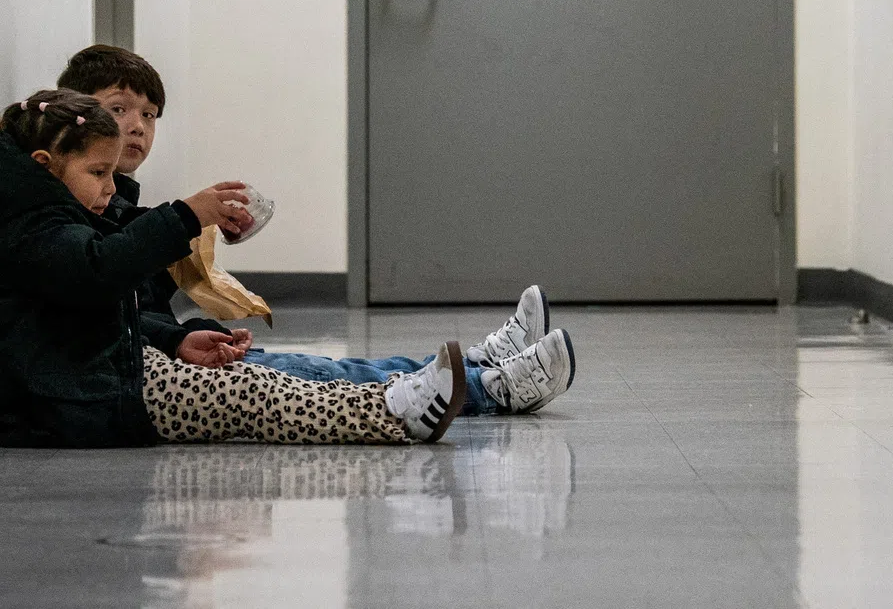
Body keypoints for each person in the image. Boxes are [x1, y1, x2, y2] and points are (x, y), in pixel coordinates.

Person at [57, 45, 576, 415]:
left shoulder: (115, 197)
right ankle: (491, 388)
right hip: (150, 364)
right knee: (314, 375)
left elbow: (135, 293)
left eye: (148, 114)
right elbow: (110, 306)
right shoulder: (75, 210)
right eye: (118, 109)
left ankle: (482, 366)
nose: (137, 126)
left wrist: (195, 240)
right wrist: (180, 331)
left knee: (321, 369)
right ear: (75, 118)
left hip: (161, 347)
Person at [0, 89, 465, 447]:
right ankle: (395, 412)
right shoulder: (36, 228)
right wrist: (184, 215)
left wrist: (173, 337)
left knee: (259, 379)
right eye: (98, 174)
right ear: (45, 165)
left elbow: (99, 310)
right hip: (85, 400)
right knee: (249, 393)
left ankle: (407, 396)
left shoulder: (53, 215)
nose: (109, 186)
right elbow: (99, 272)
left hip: (107, 377)